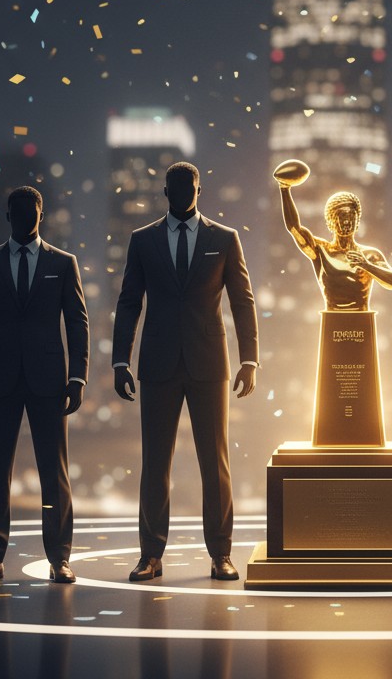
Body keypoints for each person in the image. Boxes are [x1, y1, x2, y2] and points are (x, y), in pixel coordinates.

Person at [113, 161, 259, 582]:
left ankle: (220, 555)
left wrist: (250, 358)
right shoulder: (143, 240)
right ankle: (150, 556)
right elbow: (129, 301)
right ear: (165, 192)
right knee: (154, 463)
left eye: (189, 186)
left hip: (209, 363)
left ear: (200, 189)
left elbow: (242, 301)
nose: (182, 194)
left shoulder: (224, 239)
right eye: (175, 187)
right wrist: (120, 359)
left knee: (215, 463)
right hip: (157, 364)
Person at [0, 185, 89, 585]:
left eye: (30, 213)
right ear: (8, 217)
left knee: (55, 474)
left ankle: (59, 559)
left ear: (41, 215)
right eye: (18, 213)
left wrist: (78, 376)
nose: (24, 219)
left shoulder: (64, 263)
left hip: (49, 380)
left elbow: (77, 322)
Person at [277, 183, 392, 310]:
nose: (347, 221)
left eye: (351, 216)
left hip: (362, 321)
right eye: (341, 216)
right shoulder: (320, 250)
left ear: (357, 221)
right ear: (331, 221)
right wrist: (284, 188)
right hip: (331, 320)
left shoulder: (370, 255)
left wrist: (366, 265)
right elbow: (294, 228)